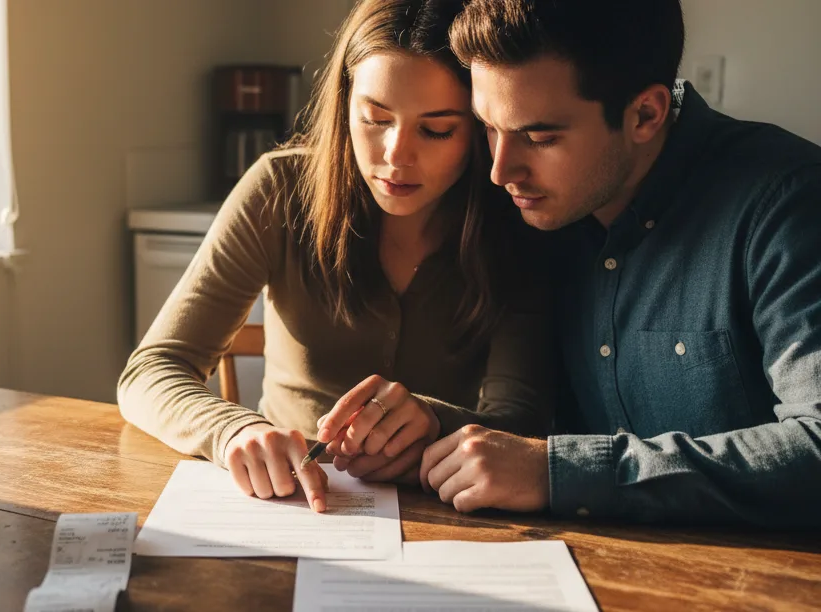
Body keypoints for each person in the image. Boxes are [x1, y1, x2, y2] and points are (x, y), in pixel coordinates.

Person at [118, 0, 553, 514]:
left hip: (450, 520)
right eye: (375, 118)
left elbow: (521, 424)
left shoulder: (515, 218)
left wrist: (436, 420)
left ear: (479, 130)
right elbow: (151, 370)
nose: (396, 155)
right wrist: (235, 430)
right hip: (287, 506)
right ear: (344, 105)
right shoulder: (279, 189)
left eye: (436, 129)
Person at [412, 0, 821, 526]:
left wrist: (561, 472)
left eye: (540, 138)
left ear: (646, 114)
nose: (501, 170)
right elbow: (527, 437)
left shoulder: (787, 205)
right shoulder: (532, 211)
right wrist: (431, 433)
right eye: (489, 127)